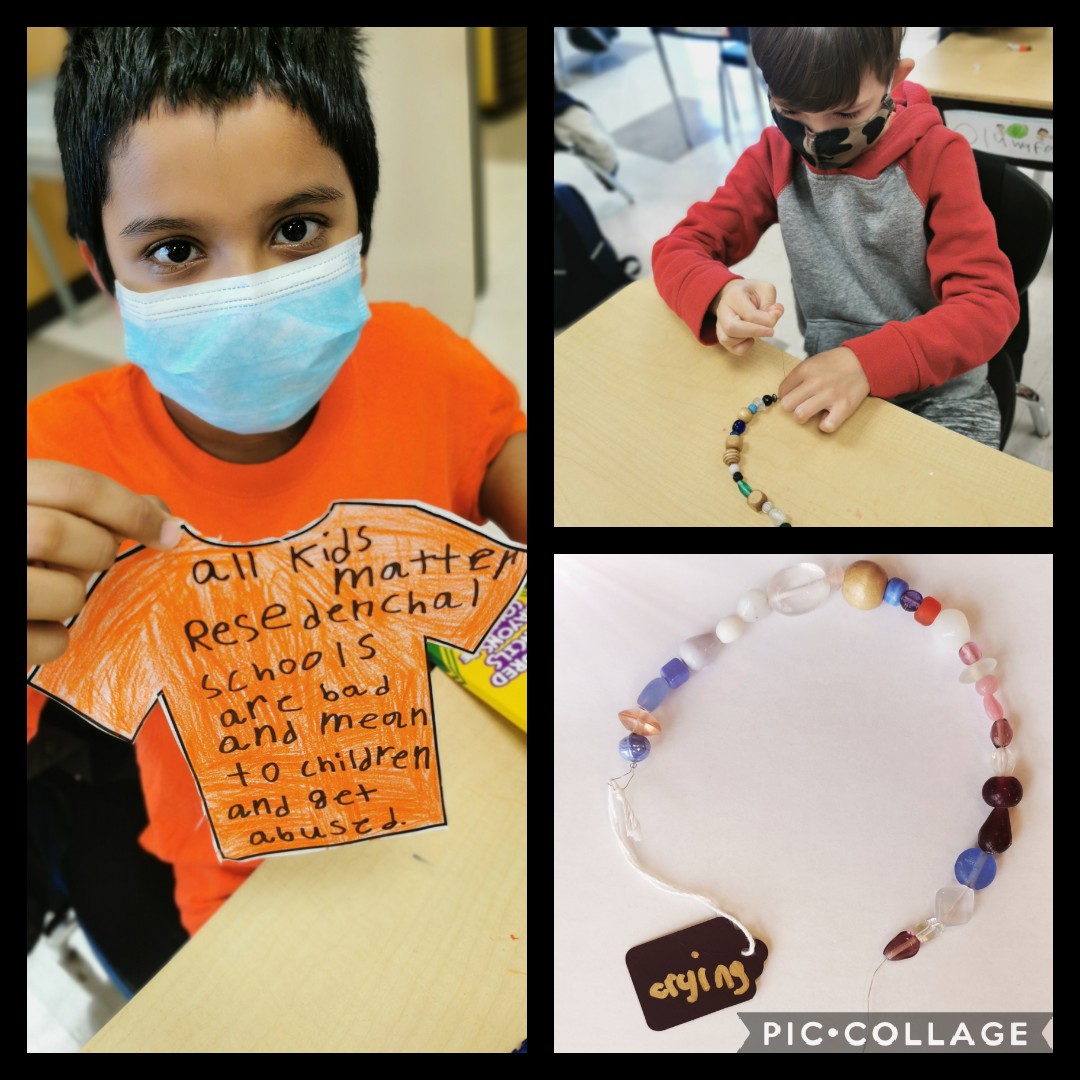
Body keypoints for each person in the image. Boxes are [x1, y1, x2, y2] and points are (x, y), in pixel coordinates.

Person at [27, 27, 527, 941]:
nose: (249, 290)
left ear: (360, 235)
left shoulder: (430, 367)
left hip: (468, 817)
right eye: (175, 249)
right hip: (244, 903)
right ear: (105, 271)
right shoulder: (52, 468)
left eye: (296, 230)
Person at [652, 26, 1019, 447]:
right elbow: (677, 248)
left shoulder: (938, 157)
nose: (816, 139)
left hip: (940, 394)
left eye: (846, 115)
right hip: (829, 378)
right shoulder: (774, 156)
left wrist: (866, 363)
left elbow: (989, 305)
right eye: (791, 111)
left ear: (894, 79)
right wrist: (718, 294)